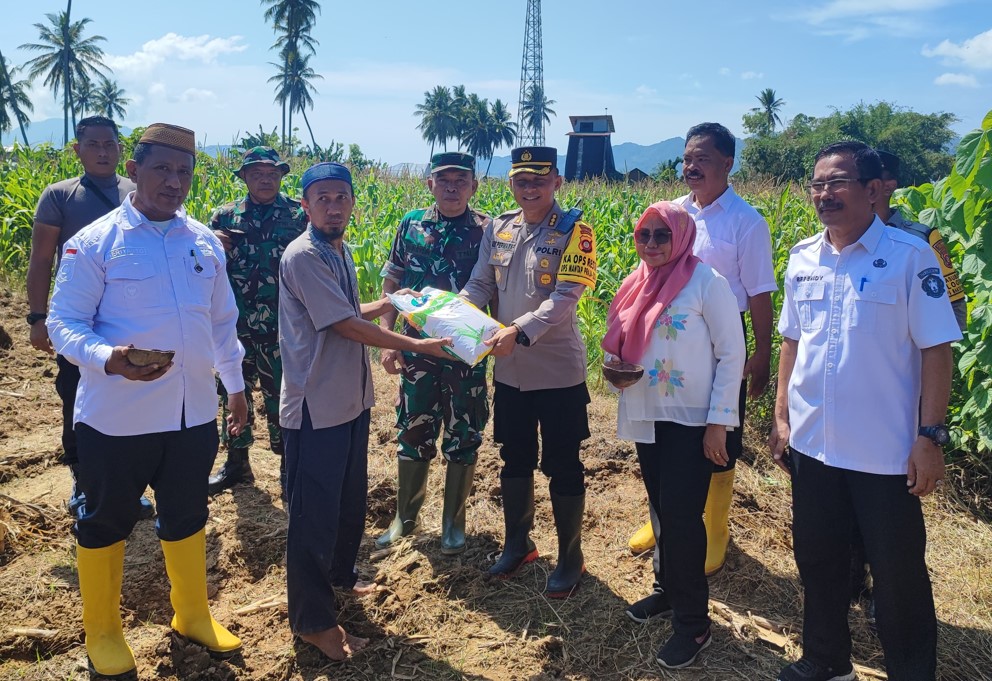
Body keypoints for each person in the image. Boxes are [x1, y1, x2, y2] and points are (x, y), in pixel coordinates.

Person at [46, 123, 249, 677]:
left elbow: (223, 322)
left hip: (191, 415)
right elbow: (64, 324)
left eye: (184, 171)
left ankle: (192, 615)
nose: (174, 181)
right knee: (107, 520)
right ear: (133, 171)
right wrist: (109, 357)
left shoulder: (203, 242)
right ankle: (105, 635)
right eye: (161, 168)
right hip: (117, 418)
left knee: (187, 513)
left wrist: (234, 386)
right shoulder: (94, 242)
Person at [769, 141, 960, 681]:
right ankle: (827, 660)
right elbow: (791, 342)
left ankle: (911, 672)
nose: (823, 194)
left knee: (899, 577)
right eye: (817, 184)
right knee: (819, 561)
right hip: (814, 446)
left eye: (838, 183)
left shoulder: (910, 255)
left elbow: (936, 349)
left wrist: (929, 436)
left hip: (885, 454)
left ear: (874, 189)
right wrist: (782, 418)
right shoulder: (804, 256)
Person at [278, 162, 452, 662]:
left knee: (348, 503)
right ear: (306, 205)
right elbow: (345, 328)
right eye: (323, 198)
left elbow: (352, 312)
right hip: (316, 406)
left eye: (342, 197)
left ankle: (340, 576)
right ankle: (313, 621)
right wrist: (421, 344)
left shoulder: (339, 249)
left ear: (353, 201)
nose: (334, 206)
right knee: (312, 516)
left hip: (351, 402)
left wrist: (396, 301)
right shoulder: (304, 255)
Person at [628, 122, 776, 579]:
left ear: (728, 164)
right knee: (662, 434)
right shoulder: (671, 213)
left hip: (720, 347)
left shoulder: (746, 222)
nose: (691, 167)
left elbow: (759, 294)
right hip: (667, 347)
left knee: (719, 441)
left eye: (702, 159)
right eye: (687, 158)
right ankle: (663, 518)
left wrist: (761, 355)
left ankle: (715, 527)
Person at [604, 201, 744, 668]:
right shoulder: (635, 282)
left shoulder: (707, 283)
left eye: (662, 235)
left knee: (684, 519)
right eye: (644, 235)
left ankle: (694, 623)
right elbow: (625, 342)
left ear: (681, 236)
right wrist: (613, 369)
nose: (651, 244)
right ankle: (666, 590)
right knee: (662, 509)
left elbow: (732, 355)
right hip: (649, 412)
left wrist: (719, 423)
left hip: (691, 420)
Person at [460, 146, 597, 599]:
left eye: (540, 179)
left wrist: (517, 330)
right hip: (509, 370)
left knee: (562, 463)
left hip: (557, 370)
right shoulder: (498, 228)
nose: (530, 187)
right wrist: (452, 313)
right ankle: (518, 544)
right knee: (513, 456)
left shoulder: (577, 230)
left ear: (557, 181)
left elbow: (564, 298)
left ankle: (570, 556)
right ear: (511, 183)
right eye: (522, 179)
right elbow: (482, 283)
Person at [25, 115, 154, 519]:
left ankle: (129, 487)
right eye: (93, 144)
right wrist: (37, 317)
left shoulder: (138, 192)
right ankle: (85, 482)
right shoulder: (60, 196)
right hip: (79, 319)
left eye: (110, 144)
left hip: (131, 319)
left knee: (134, 398)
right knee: (78, 399)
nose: (102, 151)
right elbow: (42, 259)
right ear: (76, 150)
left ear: (121, 149)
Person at [375, 152, 492, 554]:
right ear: (430, 184)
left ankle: (453, 525)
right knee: (413, 429)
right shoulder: (411, 224)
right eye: (444, 180)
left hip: (466, 353)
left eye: (461, 180)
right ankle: (404, 520)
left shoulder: (486, 230)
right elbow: (393, 278)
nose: (453, 187)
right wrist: (387, 335)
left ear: (474, 186)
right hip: (418, 350)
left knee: (464, 434)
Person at [206, 146, 307, 495]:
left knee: (284, 395)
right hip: (236, 325)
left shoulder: (298, 216)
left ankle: (287, 463)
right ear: (245, 177)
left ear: (281, 176)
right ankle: (237, 462)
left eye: (272, 173)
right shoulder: (224, 218)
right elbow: (204, 268)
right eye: (257, 173)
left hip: (285, 326)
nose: (265, 179)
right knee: (233, 392)